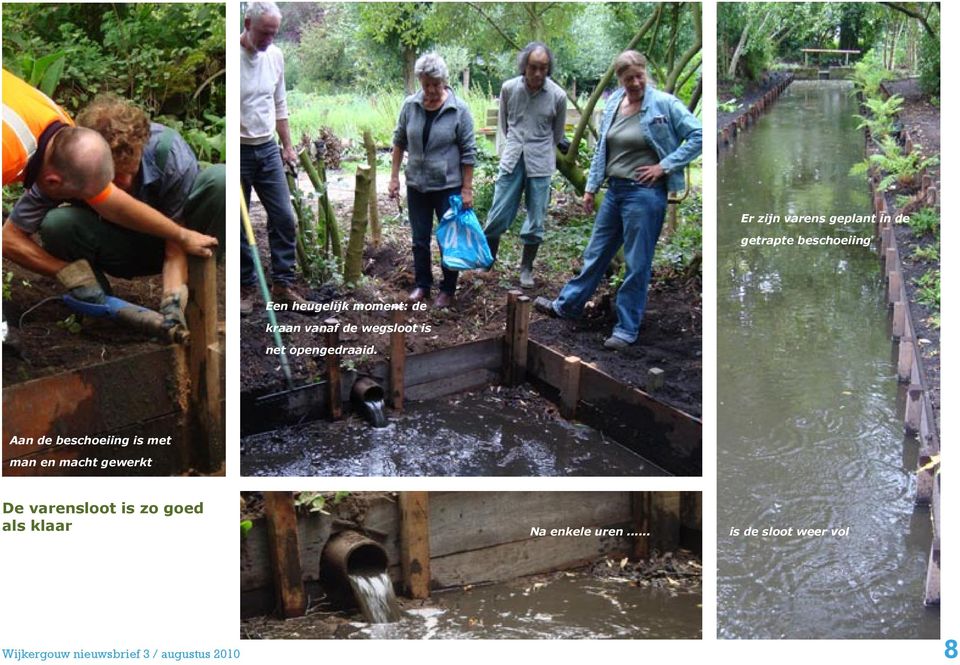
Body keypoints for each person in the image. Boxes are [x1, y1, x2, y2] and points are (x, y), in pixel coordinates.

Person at [1, 69, 218, 334]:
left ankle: (191, 305)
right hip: (117, 245)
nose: (123, 185)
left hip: (158, 248)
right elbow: (8, 237)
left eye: (131, 172)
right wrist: (66, 272)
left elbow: (114, 205)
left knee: (221, 181)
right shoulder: (24, 153)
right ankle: (100, 312)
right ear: (54, 182)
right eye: (112, 180)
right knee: (59, 223)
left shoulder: (61, 138)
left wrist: (181, 240)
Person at [534, 51, 702, 350]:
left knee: (637, 263)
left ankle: (626, 328)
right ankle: (568, 306)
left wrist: (664, 166)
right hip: (614, 192)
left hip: (645, 194)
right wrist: (590, 187)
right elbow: (602, 151)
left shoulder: (664, 104)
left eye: (639, 76)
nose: (635, 83)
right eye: (628, 79)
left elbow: (698, 135)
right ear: (620, 80)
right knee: (596, 253)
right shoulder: (613, 103)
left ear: (645, 73)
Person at [388, 53, 476, 309]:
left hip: (448, 186)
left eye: (436, 84)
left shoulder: (459, 110)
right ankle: (422, 285)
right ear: (420, 82)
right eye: (426, 85)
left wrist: (467, 188)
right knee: (419, 238)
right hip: (417, 184)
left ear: (444, 81)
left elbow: (469, 152)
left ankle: (448, 289)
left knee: (448, 239)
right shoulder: (410, 106)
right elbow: (399, 142)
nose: (431, 90)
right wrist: (394, 177)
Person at [240, 1, 308, 316]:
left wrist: (288, 146)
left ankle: (282, 284)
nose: (269, 40)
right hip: (239, 148)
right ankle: (246, 287)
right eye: (264, 33)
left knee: (283, 217)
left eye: (274, 33)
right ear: (247, 22)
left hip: (266, 148)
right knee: (239, 224)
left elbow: (280, 104)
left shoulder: (276, 57)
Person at [483, 42, 566, 289]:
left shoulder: (558, 96)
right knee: (498, 212)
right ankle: (487, 261)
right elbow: (504, 125)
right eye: (533, 67)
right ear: (524, 66)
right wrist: (516, 145)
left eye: (543, 68)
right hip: (512, 158)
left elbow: (557, 133)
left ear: (548, 69)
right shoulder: (509, 89)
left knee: (536, 218)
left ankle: (526, 268)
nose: (538, 73)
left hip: (541, 162)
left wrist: (539, 148)